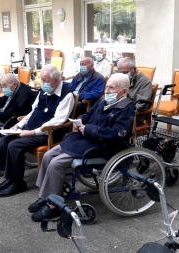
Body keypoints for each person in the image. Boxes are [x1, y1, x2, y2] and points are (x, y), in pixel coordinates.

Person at [28, 73, 135, 222]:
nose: (107, 91)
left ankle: (53, 207)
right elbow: (89, 114)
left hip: (103, 146)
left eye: (111, 88)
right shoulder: (103, 101)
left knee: (56, 163)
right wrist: (79, 120)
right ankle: (45, 196)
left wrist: (89, 129)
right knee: (48, 155)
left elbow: (118, 134)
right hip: (86, 139)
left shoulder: (126, 108)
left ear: (123, 92)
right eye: (107, 86)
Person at [0, 64, 75, 197]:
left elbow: (58, 121)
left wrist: (33, 132)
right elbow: (32, 113)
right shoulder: (43, 91)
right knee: (4, 141)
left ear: (56, 80)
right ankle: (10, 178)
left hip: (49, 133)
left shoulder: (67, 95)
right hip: (30, 128)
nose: (42, 83)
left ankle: (19, 183)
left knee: (14, 145)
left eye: (45, 80)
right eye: (41, 79)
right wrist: (18, 126)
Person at [116, 57, 152, 125]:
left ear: (134, 69)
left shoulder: (145, 81)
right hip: (117, 111)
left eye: (125, 72)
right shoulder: (119, 78)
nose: (122, 75)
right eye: (120, 72)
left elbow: (141, 106)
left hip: (132, 117)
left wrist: (122, 110)